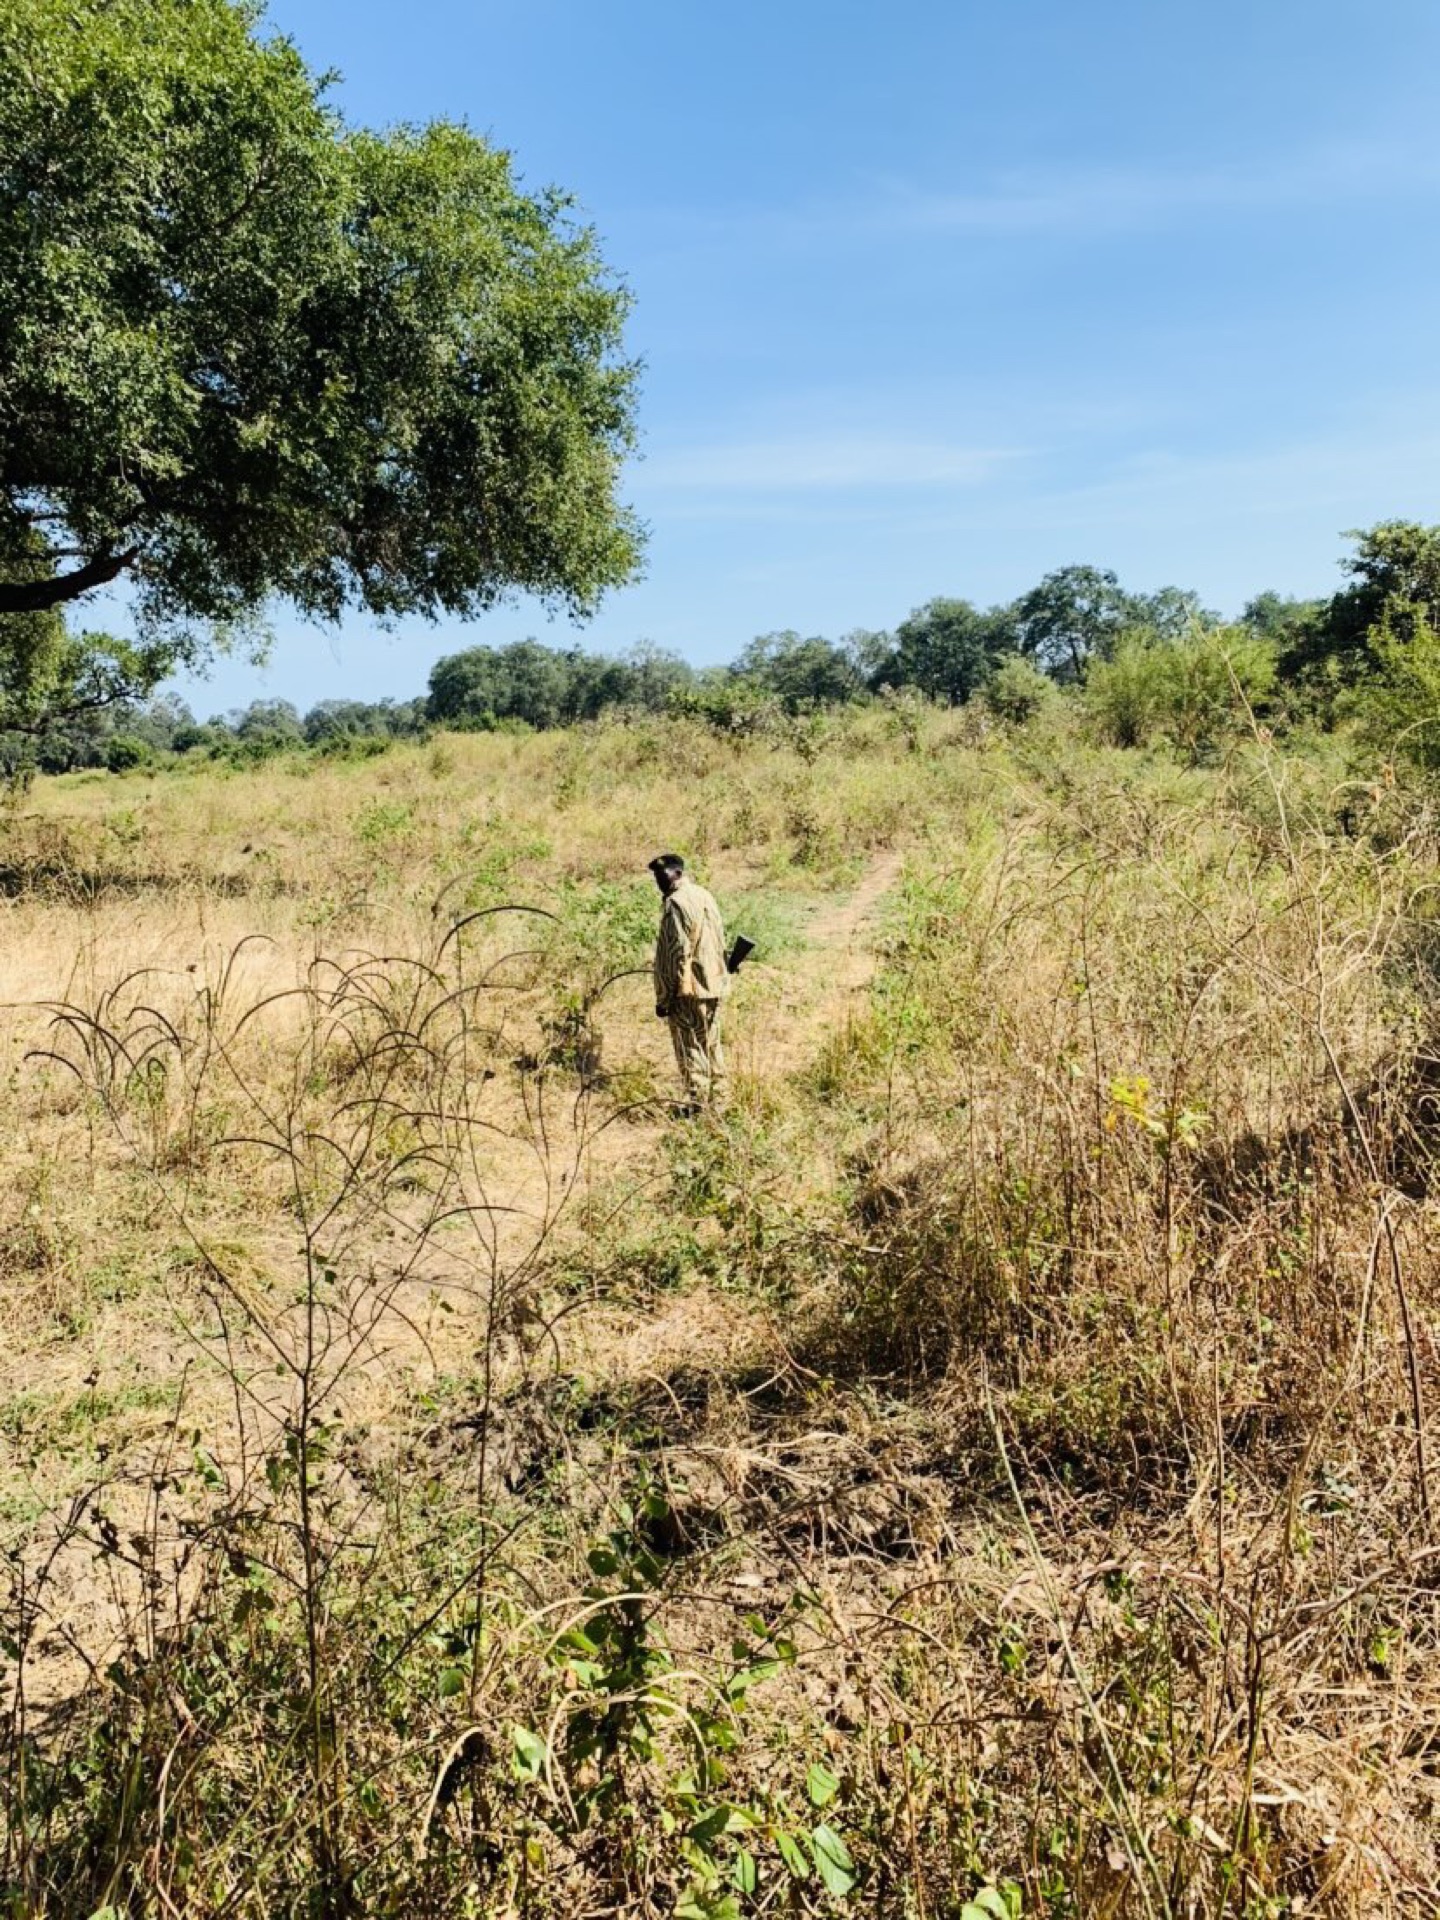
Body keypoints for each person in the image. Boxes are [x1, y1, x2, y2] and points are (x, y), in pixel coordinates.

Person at [649, 853, 729, 1112]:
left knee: (691, 1047)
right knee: (712, 1045)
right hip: (714, 982)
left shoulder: (675, 902)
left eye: (663, 874)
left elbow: (674, 953)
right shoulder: (704, 895)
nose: (659, 880)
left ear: (677, 873)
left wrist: (664, 996)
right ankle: (721, 1103)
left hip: (688, 989)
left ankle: (698, 1106)